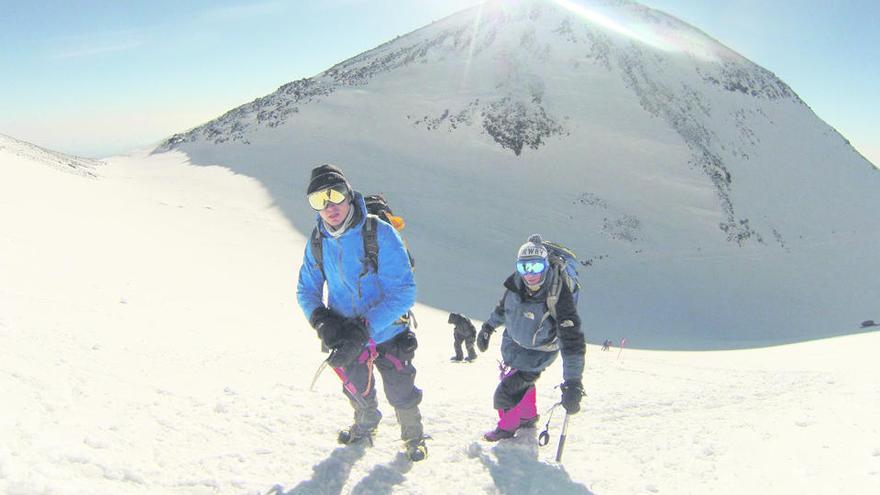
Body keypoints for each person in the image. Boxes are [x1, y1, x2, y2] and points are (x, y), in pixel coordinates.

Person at [296, 164, 427, 461]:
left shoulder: (378, 232)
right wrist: (322, 321)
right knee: (356, 386)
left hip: (389, 331)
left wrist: (365, 327)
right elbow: (306, 290)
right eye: (318, 200)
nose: (329, 206)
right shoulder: (318, 241)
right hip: (344, 334)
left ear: (348, 193)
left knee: (400, 389)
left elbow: (404, 290)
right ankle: (365, 426)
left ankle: (413, 437)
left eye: (335, 194)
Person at [476, 234, 586, 441]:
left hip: (538, 353)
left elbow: (572, 341)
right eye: (524, 268)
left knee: (505, 395)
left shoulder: (558, 294)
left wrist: (573, 382)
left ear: (545, 265)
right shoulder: (516, 283)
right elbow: (504, 308)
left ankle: (506, 428)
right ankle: (527, 418)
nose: (530, 275)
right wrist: (488, 328)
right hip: (514, 345)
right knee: (517, 383)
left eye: (536, 267)